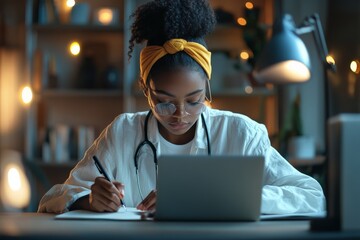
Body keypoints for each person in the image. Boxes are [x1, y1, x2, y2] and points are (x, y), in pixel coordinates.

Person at [38, 0, 325, 214]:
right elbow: (53, 197)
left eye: (194, 100)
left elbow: (312, 196)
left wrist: (207, 197)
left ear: (208, 88)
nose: (180, 114)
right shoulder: (123, 132)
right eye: (164, 101)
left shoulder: (242, 133)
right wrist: (87, 199)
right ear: (145, 89)